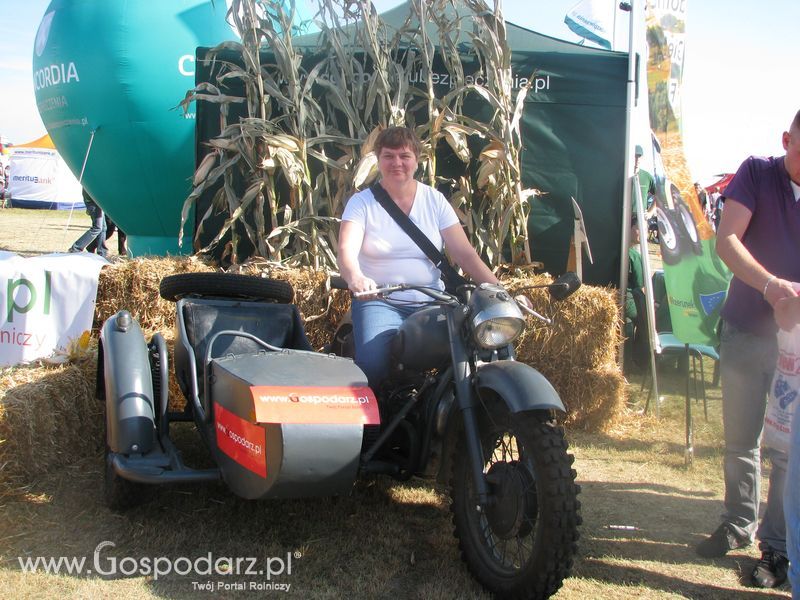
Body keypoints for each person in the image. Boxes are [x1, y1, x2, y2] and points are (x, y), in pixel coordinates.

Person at [696, 109, 800, 589]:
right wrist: (772, 286)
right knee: (741, 442)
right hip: (744, 330)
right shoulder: (757, 171)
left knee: (785, 451)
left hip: (794, 345)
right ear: (786, 139)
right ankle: (738, 525)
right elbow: (727, 240)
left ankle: (776, 549)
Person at [338, 126, 501, 388]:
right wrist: (356, 278)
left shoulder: (434, 200)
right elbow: (346, 250)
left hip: (433, 302)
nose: (397, 163)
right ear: (378, 160)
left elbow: (465, 254)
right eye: (389, 156)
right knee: (373, 365)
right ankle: (374, 428)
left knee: (468, 355)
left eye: (404, 156)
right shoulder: (362, 203)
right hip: (380, 302)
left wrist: (498, 291)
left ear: (417, 160)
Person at [69, 189, 107, 257]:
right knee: (97, 228)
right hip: (93, 202)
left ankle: (102, 252)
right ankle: (76, 248)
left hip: (96, 202)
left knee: (103, 228)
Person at [634, 144, 656, 220]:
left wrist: (650, 212)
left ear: (642, 157)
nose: (637, 159)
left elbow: (659, 196)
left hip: (639, 220)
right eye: (635, 156)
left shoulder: (647, 177)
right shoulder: (622, 175)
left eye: (639, 156)